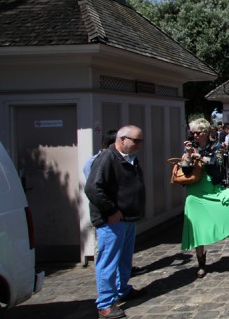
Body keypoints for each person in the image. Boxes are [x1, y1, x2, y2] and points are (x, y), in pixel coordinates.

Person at [85, 125, 148, 319]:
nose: (138, 145)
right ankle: (105, 304)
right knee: (108, 262)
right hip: (112, 220)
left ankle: (123, 289)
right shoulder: (107, 158)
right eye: (135, 141)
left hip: (128, 218)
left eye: (140, 141)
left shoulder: (128, 158)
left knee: (124, 259)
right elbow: (93, 188)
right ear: (121, 140)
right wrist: (111, 210)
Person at [180, 118, 229, 278]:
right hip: (195, 192)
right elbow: (185, 171)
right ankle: (201, 263)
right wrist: (188, 157)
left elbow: (218, 164)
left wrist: (200, 158)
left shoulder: (216, 147)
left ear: (206, 133)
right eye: (193, 133)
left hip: (212, 188)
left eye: (198, 132)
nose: (195, 135)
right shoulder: (191, 148)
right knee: (196, 227)